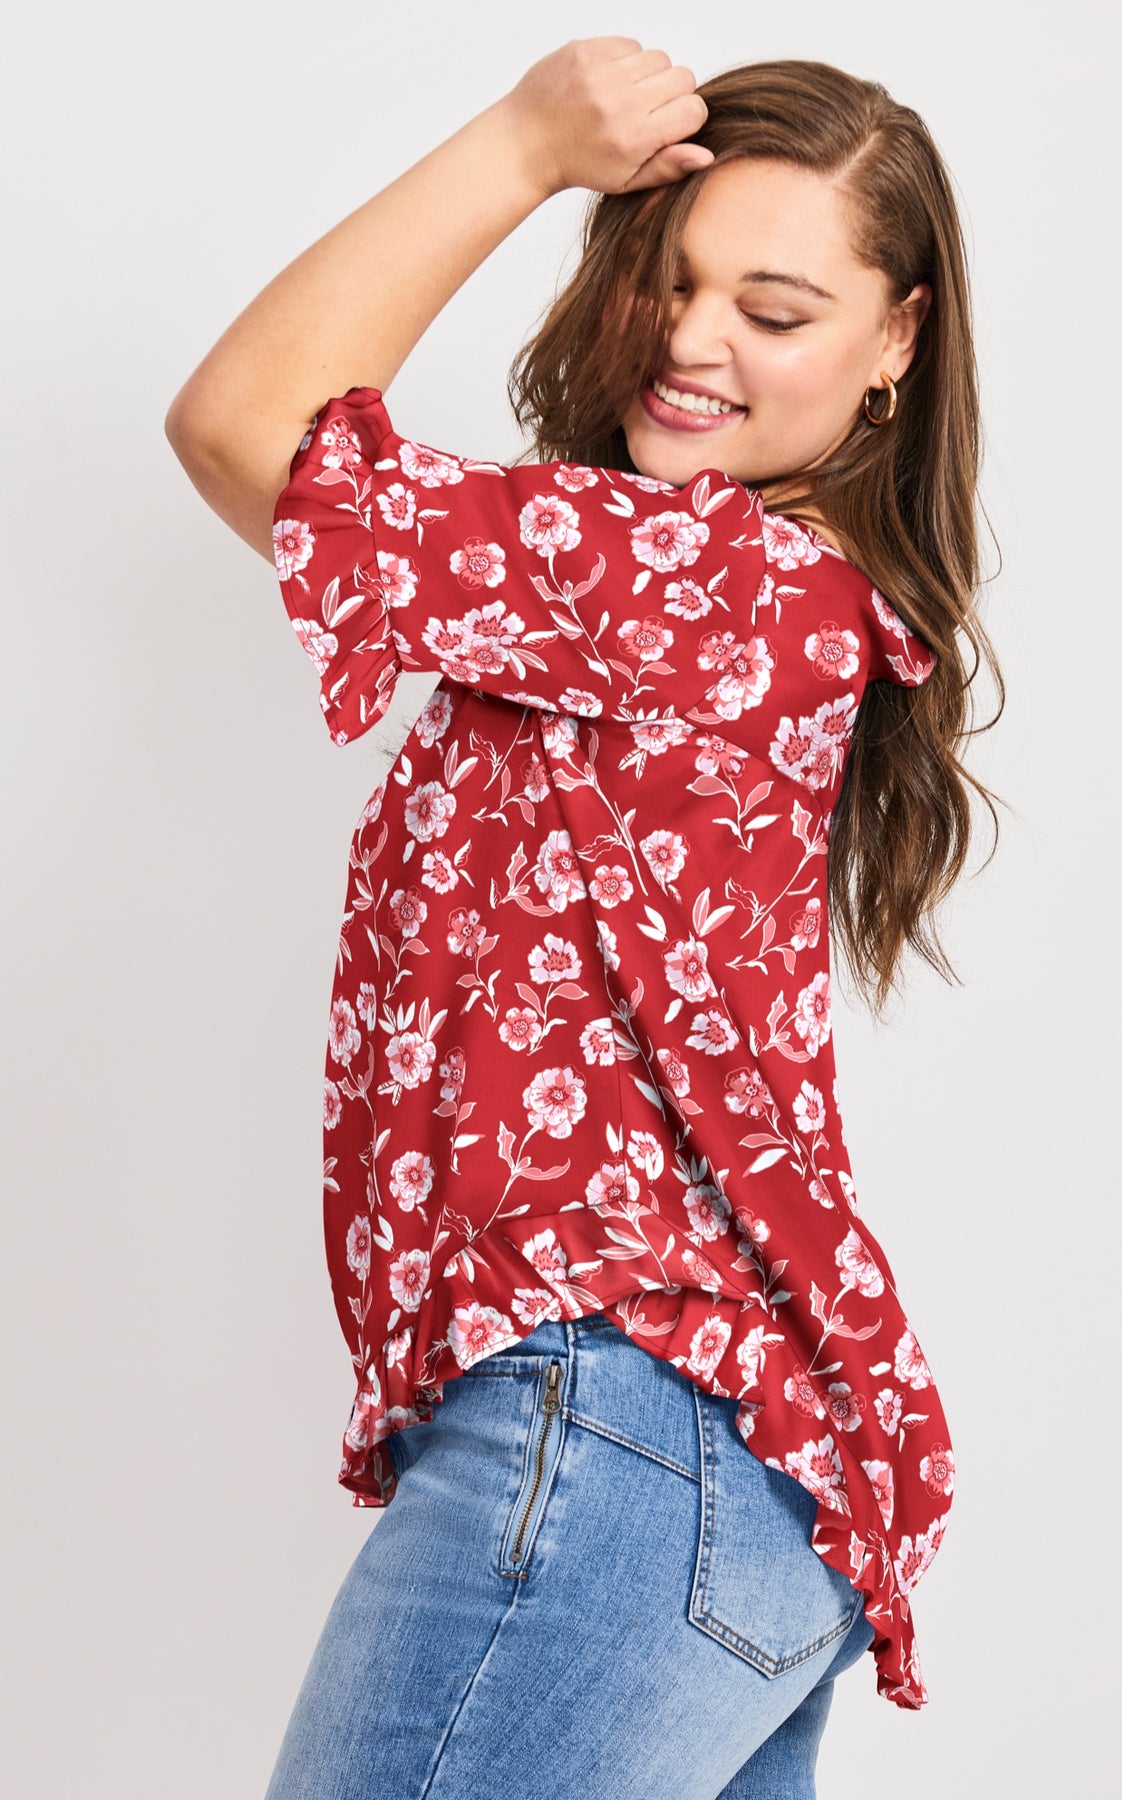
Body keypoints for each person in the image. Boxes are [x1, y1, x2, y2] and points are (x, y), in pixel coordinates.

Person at [166, 35, 1001, 1798]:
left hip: (616, 1427)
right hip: (733, 1486)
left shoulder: (705, 583)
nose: (694, 342)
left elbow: (243, 422)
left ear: (897, 342)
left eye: (775, 309)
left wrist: (525, 142)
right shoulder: (707, 593)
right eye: (667, 279)